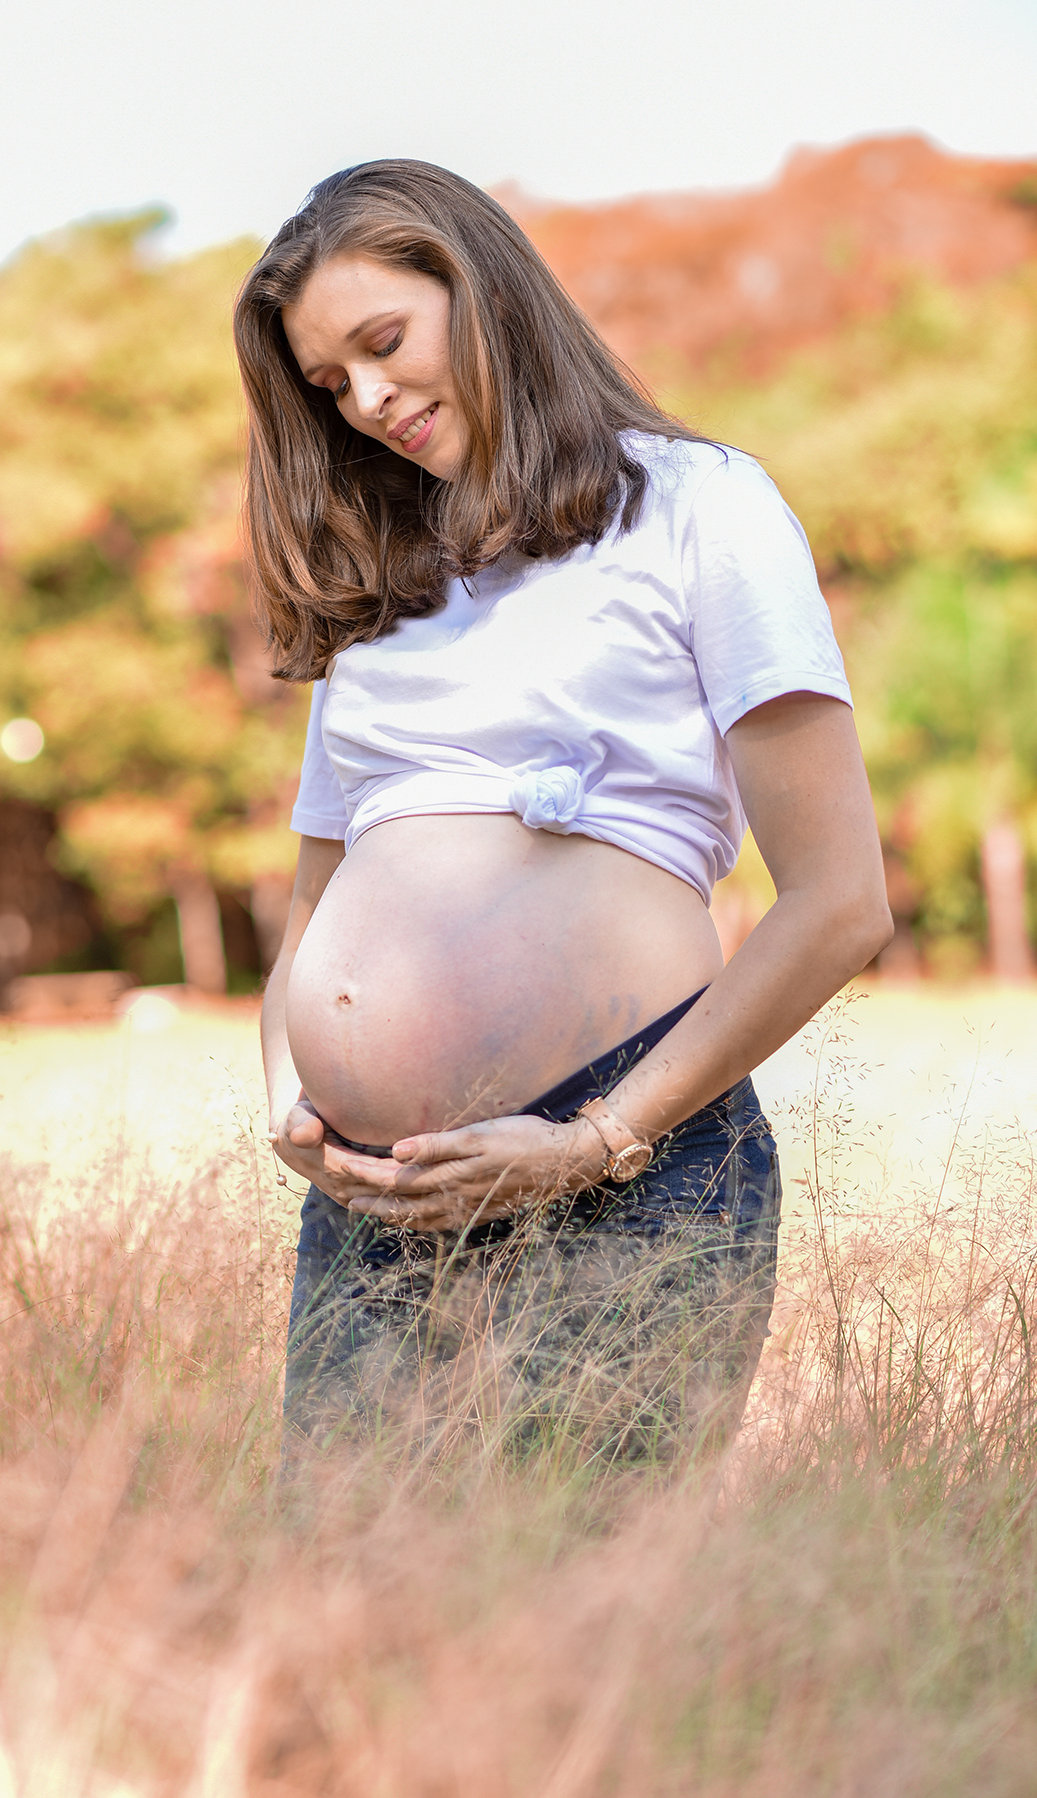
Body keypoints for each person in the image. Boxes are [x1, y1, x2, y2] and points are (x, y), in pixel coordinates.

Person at [233, 161, 892, 1464]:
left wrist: (597, 1138)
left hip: (624, 1166)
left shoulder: (699, 506)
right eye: (328, 385)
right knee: (351, 1603)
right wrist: (292, 1105)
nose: (367, 401)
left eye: (383, 343)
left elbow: (840, 903)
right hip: (378, 1189)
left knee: (581, 1618)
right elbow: (313, 910)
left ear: (480, 292)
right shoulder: (382, 596)